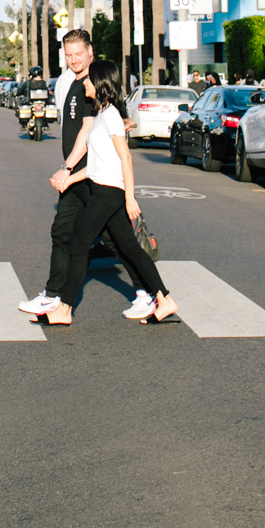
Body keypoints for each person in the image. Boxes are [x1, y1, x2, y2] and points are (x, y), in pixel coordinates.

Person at [38, 60, 178, 327]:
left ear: (101, 83)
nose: (85, 84)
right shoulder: (103, 114)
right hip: (104, 187)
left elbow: (125, 158)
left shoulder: (111, 114)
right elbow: (95, 164)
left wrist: (130, 197)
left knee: (79, 245)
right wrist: (69, 179)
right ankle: (165, 298)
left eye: (90, 80)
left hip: (109, 192)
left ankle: (65, 309)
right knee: (131, 250)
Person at [18, 33, 99, 318]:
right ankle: (53, 296)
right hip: (76, 174)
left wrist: (68, 168)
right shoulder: (74, 82)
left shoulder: (94, 84)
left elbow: (89, 130)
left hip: (92, 174)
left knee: (118, 239)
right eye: (69, 54)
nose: (74, 59)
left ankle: (152, 293)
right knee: (62, 232)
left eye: (79, 53)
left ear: (90, 51)